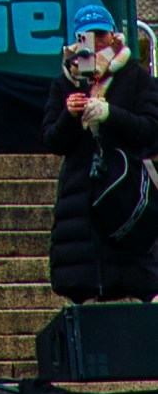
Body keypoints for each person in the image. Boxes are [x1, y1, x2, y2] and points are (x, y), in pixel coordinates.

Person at [49, 25, 158, 306]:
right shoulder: (66, 82)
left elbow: (150, 130)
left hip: (124, 192)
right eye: (86, 36)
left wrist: (110, 114)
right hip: (80, 197)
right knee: (83, 290)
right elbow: (51, 140)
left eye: (100, 34)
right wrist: (69, 115)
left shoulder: (135, 78)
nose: (95, 42)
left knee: (132, 287)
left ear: (113, 35)